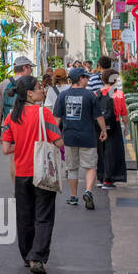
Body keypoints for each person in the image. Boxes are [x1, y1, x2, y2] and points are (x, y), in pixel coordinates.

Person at [0, 74, 63, 274]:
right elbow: (58, 141)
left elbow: (5, 149)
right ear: (29, 93)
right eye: (38, 88)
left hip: (21, 173)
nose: (42, 91)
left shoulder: (11, 117)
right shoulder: (44, 114)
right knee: (43, 216)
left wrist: (23, 145)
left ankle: (27, 256)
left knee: (25, 216)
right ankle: (37, 257)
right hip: (42, 171)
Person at [54, 66, 107, 209]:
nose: (88, 80)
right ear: (81, 79)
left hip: (69, 137)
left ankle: (73, 196)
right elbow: (98, 116)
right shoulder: (90, 95)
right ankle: (88, 191)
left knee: (72, 168)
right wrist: (104, 131)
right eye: (86, 77)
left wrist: (53, 136)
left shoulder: (63, 95)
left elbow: (57, 119)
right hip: (88, 137)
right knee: (90, 166)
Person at [97, 69, 129, 188]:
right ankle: (109, 179)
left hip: (99, 126)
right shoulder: (118, 94)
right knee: (113, 152)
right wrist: (126, 127)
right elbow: (124, 114)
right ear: (114, 79)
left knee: (101, 151)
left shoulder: (97, 93)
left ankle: (101, 177)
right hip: (114, 125)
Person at [0, 55, 35, 140]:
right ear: (24, 68)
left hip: (9, 128)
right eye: (30, 68)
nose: (31, 71)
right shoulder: (32, 84)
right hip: (28, 129)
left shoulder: (4, 84)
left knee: (12, 151)